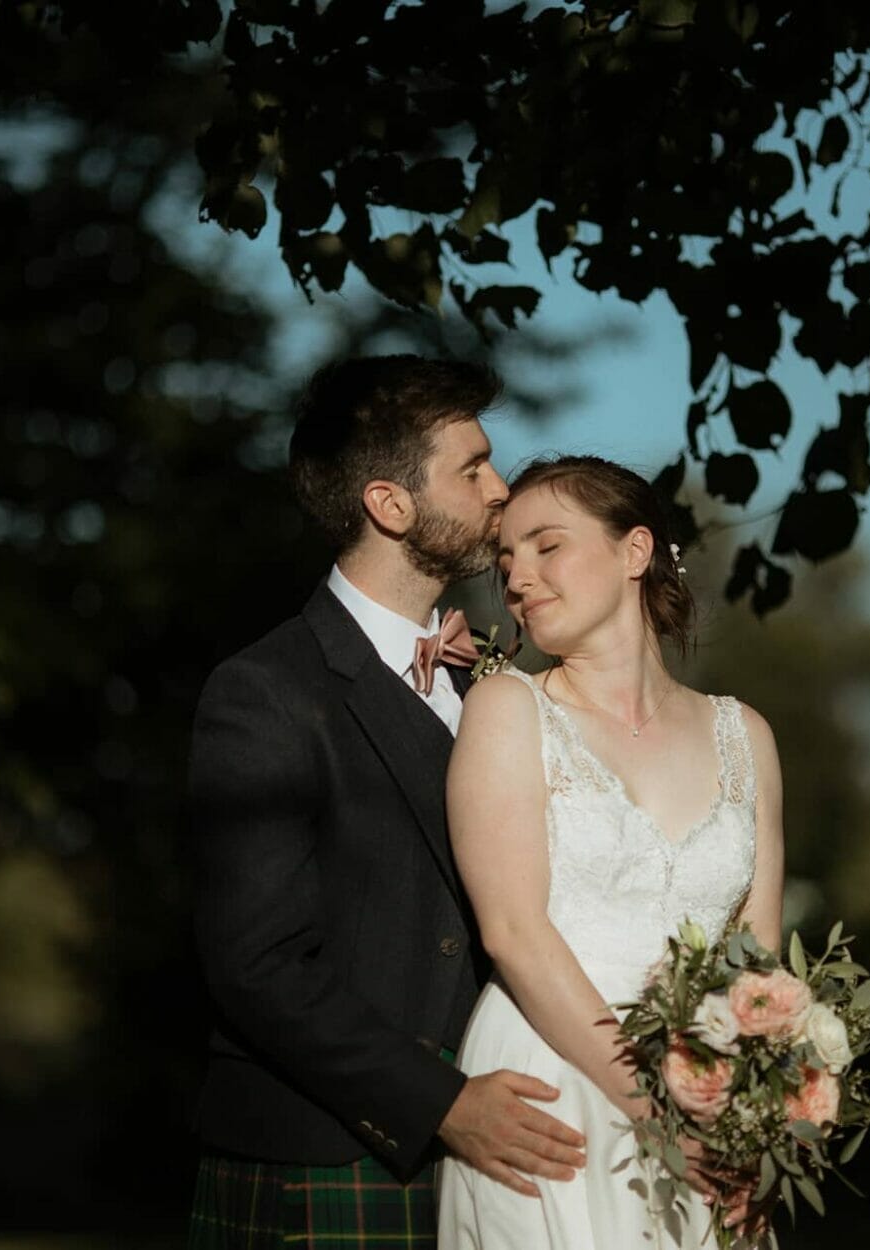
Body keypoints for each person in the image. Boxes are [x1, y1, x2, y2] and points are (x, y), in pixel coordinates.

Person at [186, 356, 586, 1250]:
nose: (501, 488)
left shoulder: (503, 680)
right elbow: (258, 965)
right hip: (337, 1155)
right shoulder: (266, 691)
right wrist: (442, 1102)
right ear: (391, 505)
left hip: (503, 1151)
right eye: (473, 468)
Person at [436, 455, 785, 1249]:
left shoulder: (746, 736)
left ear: (634, 552)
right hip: (553, 1085)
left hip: (712, 1092)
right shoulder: (507, 709)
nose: (518, 578)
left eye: (546, 546)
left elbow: (761, 960)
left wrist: (760, 1133)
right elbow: (514, 933)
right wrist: (654, 1105)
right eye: (505, 561)